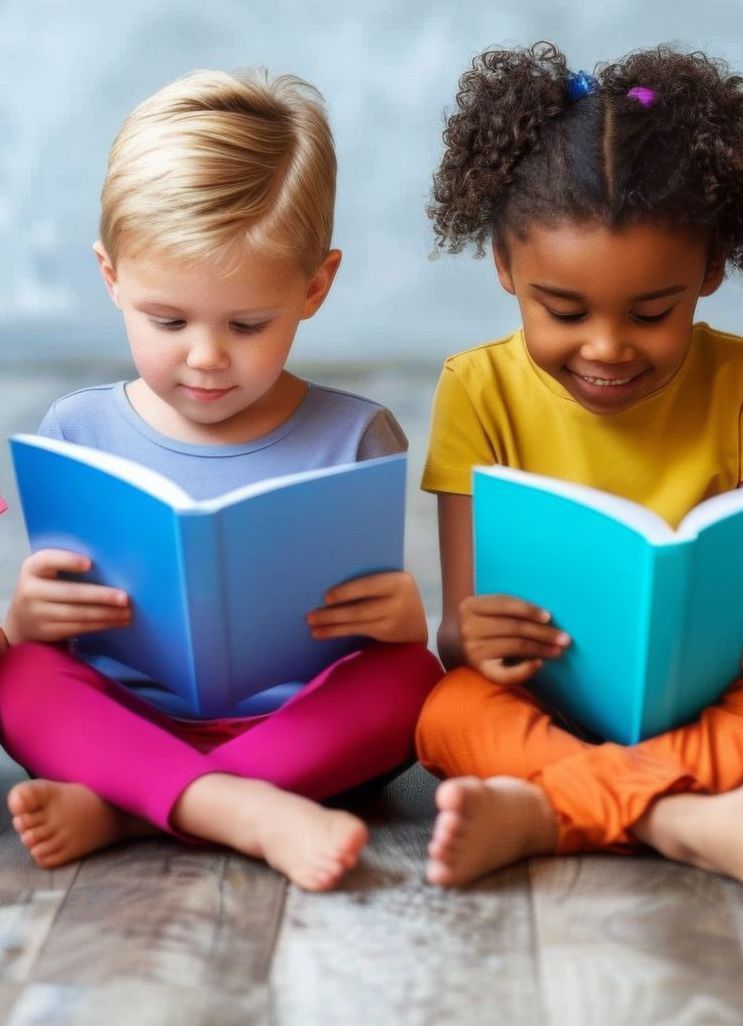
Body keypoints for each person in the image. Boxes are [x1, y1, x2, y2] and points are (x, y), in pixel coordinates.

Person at [414, 42, 743, 892]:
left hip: (708, 702)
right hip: (546, 703)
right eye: (563, 310)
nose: (608, 348)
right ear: (505, 268)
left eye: (654, 312)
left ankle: (550, 814)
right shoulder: (474, 388)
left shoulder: (742, 378)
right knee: (446, 714)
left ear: (710, 270)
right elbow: (454, 635)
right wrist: (471, 636)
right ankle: (678, 815)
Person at [0, 69, 442, 891]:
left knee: (414, 683)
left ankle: (135, 808)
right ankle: (244, 810)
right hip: (125, 713)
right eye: (167, 321)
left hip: (291, 720)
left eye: (248, 324)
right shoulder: (75, 430)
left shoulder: (356, 434)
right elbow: (48, 637)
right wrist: (30, 616)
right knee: (20, 677)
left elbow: (389, 633)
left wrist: (401, 619)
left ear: (314, 285)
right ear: (111, 278)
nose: (206, 356)